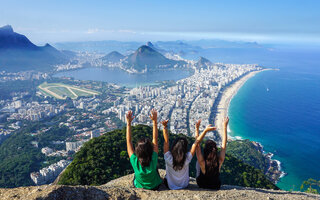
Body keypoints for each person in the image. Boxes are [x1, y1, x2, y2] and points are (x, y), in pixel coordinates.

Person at [161, 119, 216, 190]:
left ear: (174, 147)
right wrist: (204, 130)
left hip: (170, 186)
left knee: (166, 176)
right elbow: (196, 143)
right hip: (184, 185)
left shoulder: (168, 158)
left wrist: (165, 127)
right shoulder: (187, 158)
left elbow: (166, 142)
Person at [126, 109, 162, 190]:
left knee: (136, 173)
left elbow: (128, 141)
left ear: (137, 151)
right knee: (155, 168)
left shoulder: (134, 160)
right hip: (155, 186)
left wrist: (128, 123)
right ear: (151, 149)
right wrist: (154, 121)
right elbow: (155, 139)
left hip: (139, 186)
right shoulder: (153, 158)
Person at [195, 117, 229, 190]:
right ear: (215, 150)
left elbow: (197, 145)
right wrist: (225, 126)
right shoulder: (219, 161)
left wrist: (198, 129)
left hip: (202, 184)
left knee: (197, 163)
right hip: (215, 185)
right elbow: (224, 144)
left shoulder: (202, 162)